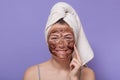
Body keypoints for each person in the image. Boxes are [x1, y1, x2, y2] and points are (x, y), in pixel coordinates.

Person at [23, 2, 95, 80]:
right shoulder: (32, 74)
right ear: (47, 41)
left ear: (75, 40)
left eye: (67, 37)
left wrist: (74, 78)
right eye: (54, 38)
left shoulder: (87, 74)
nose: (61, 45)